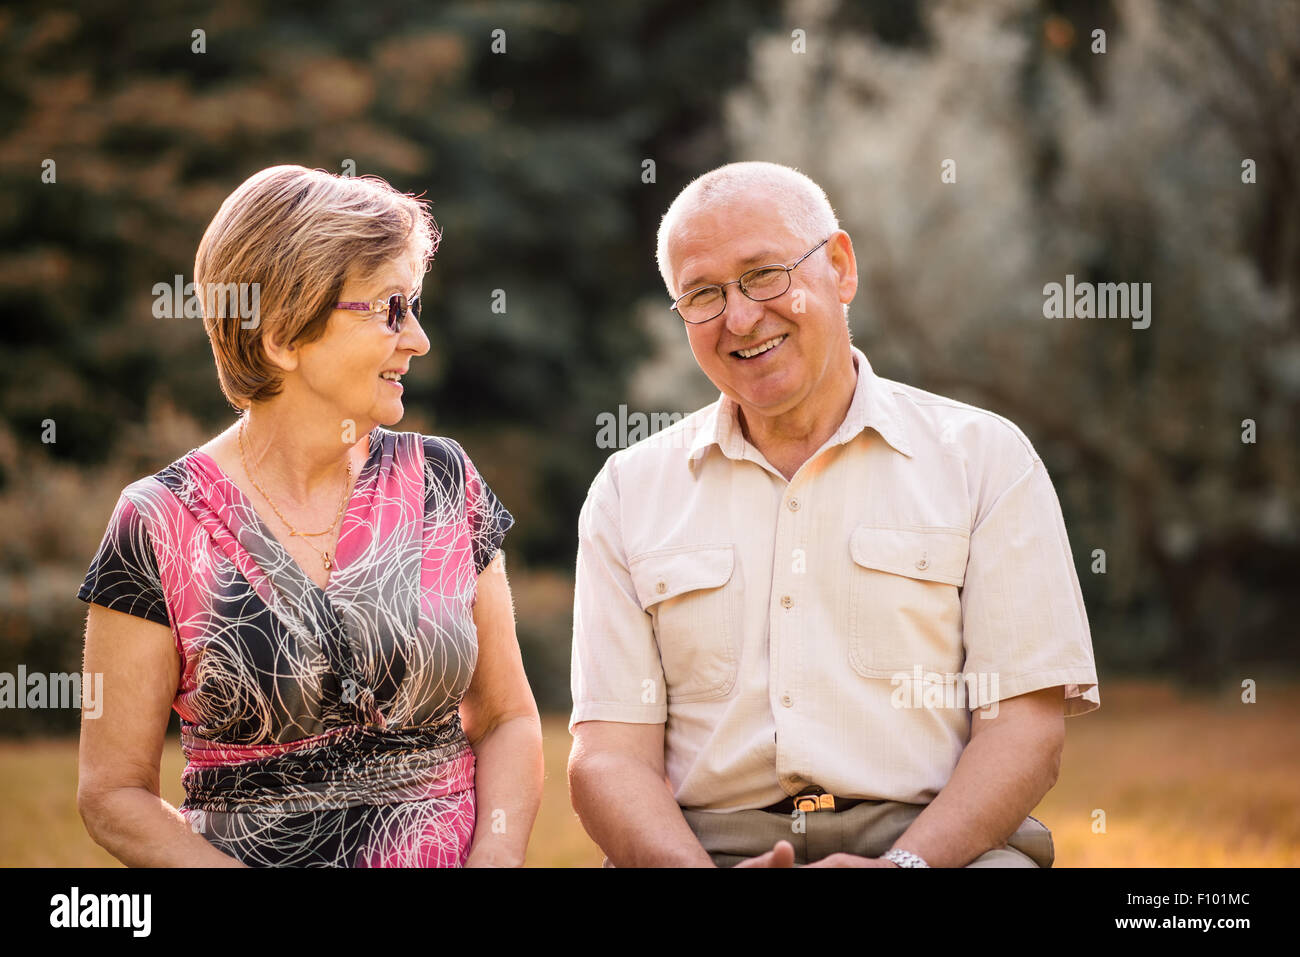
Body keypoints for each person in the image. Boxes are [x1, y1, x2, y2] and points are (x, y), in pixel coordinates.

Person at [567, 161, 1100, 868]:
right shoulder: (627, 491)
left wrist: (903, 869)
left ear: (841, 267)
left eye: (764, 275)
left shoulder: (985, 459)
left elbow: (1026, 734)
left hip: (940, 847)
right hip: (703, 850)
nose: (740, 316)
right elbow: (608, 759)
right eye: (702, 294)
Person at [76, 165, 543, 867]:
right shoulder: (157, 521)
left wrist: (497, 856)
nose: (417, 339)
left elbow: (507, 716)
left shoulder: (444, 479)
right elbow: (112, 790)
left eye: (413, 306)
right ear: (282, 335)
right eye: (390, 309)